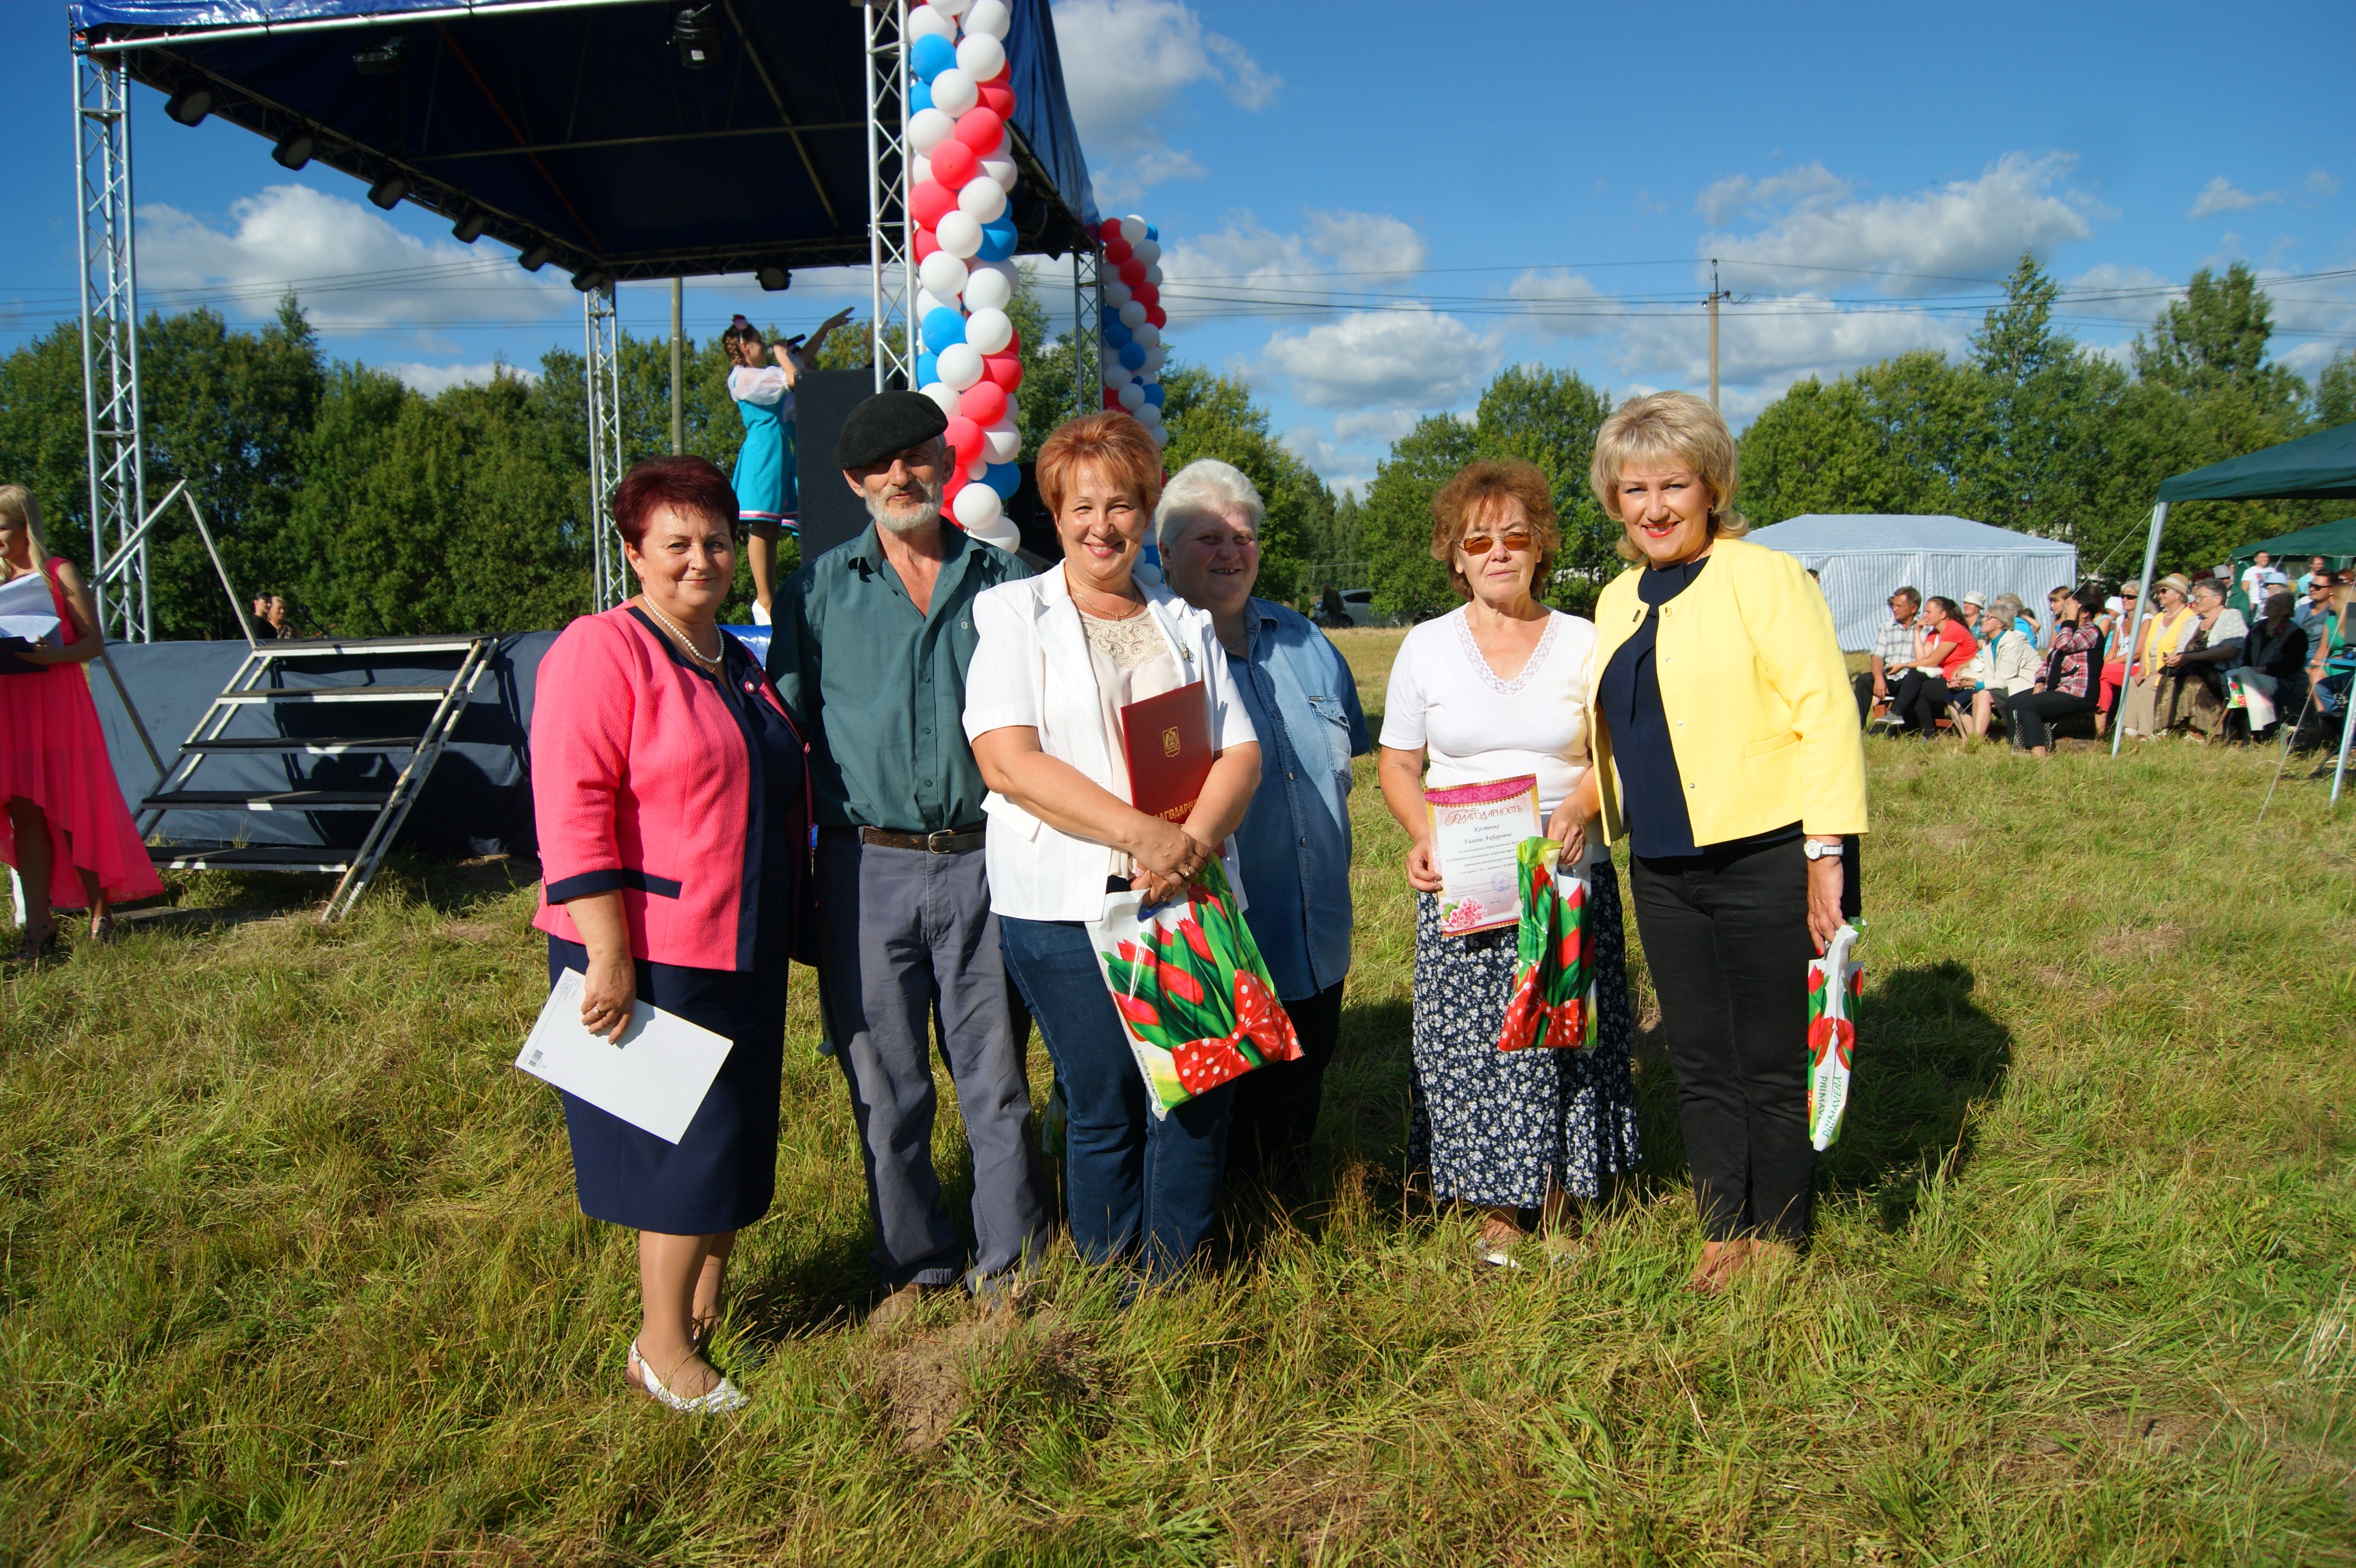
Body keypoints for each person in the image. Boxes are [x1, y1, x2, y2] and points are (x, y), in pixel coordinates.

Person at [1565, 391, 1865, 1293]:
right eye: (1633, 489)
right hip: (1660, 862)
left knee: (1769, 1056)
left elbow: (1826, 715)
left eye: (1674, 485)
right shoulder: (1616, 598)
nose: (1654, 507)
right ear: (1613, 501)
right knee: (1697, 1056)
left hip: (1767, 851)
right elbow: (1629, 733)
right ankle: (1719, 1226)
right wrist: (1575, 812)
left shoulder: (1763, 576)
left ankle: (1778, 1235)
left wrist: (1826, 856)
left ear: (1711, 487)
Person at [529, 455, 809, 1415]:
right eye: (677, 544)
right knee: (679, 1152)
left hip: (742, 936)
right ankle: (661, 1352)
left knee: (731, 1143)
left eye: (718, 542)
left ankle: (697, 1320)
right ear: (632, 552)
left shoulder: (735, 659)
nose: (702, 560)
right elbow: (571, 806)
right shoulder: (598, 650)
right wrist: (606, 950)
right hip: (647, 946)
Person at [767, 391, 1051, 1325]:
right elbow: (781, 737)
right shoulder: (813, 593)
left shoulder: (1010, 585)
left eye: (918, 457)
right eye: (879, 466)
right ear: (853, 484)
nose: (901, 476)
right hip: (863, 869)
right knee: (885, 1087)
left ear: (945, 462)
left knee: (995, 1081)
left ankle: (1012, 1269)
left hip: (986, 858)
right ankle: (914, 1266)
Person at [964, 412, 1262, 1288]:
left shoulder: (1184, 619)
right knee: (1102, 1105)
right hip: (1061, 904)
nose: (1103, 526)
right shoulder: (1014, 613)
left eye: (1123, 505)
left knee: (1198, 1096)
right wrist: (1142, 836)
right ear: (1054, 516)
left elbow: (1239, 751)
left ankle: (1174, 1279)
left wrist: (1189, 846)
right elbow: (1007, 761)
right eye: (1082, 507)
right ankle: (1104, 1276)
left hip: (1183, 893)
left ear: (1145, 513)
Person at [1375, 458, 1640, 1267]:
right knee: (1478, 1045)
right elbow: (1396, 762)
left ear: (1540, 549)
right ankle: (1495, 1208)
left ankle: (1563, 1193)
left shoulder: (1588, 641)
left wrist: (1582, 807)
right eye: (1477, 540)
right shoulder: (1425, 647)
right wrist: (1423, 833)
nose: (1497, 552)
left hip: (1564, 877)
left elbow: (1618, 751)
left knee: (1565, 1036)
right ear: (1454, 556)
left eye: (1514, 537)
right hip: (1468, 883)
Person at [1157, 459, 1370, 1192]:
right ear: (1164, 553)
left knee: (1290, 1127)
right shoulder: (1154, 654)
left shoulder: (1311, 645)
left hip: (1312, 936)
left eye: (1243, 535)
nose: (1231, 551)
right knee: (1204, 1129)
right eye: (1207, 536)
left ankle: (1283, 1224)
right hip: (1210, 941)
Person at [0, 484, 163, 957]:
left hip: (58, 702)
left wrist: (54, 655)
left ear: (25, 526)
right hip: (10, 706)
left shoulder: (58, 572)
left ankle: (100, 916)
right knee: (23, 813)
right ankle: (39, 925)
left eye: (3, 527)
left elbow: (93, 642)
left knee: (74, 811)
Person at [723, 309, 851, 624]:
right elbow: (793, 377)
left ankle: (770, 596)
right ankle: (763, 598)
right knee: (762, 525)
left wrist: (824, 328)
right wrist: (782, 355)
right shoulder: (743, 377)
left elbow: (800, 365)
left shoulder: (763, 373)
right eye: (758, 341)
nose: (764, 346)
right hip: (761, 452)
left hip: (778, 450)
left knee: (772, 528)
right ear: (744, 346)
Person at [2000, 584, 2103, 757]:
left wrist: (2068, 620)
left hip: (2078, 692)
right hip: (2058, 687)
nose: (2064, 612)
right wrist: (2040, 681)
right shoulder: (2069, 630)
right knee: (2014, 702)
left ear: (2084, 613)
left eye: (2070, 608)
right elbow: (2048, 660)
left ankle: (2038, 751)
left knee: (2028, 705)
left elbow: (2065, 645)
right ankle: (2018, 747)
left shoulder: (2090, 631)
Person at [2155, 578, 2248, 742]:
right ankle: (2170, 728)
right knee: (2169, 677)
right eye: (2196, 596)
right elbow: (2182, 649)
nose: (2196, 600)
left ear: (2217, 599)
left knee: (2194, 680)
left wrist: (2191, 657)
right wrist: (2174, 658)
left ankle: (2198, 731)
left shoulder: (2231, 616)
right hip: (2192, 667)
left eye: (2201, 597)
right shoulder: (2195, 621)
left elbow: (2229, 651)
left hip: (2223, 673)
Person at [2117, 574, 2197, 738]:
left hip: (2172, 668)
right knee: (2133, 682)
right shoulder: (2159, 617)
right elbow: (2147, 646)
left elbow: (2182, 650)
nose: (2159, 595)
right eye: (2159, 592)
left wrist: (2160, 673)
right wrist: (2142, 670)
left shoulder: (2189, 618)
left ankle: (2148, 732)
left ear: (2178, 594)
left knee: (2149, 686)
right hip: (2151, 665)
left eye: (2164, 591)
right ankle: (2129, 727)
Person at [1887, 595, 1976, 738]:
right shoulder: (1935, 633)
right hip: (1948, 678)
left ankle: (1899, 715)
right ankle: (1925, 731)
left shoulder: (1953, 630)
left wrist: (1903, 665)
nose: (1924, 615)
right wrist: (1917, 631)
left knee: (1916, 683)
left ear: (1943, 615)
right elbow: (1922, 658)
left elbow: (1933, 662)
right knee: (1916, 686)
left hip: (1964, 681)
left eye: (1929, 612)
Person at [2236, 592, 2309, 740]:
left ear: (2285, 610)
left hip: (2285, 683)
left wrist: (2263, 670)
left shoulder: (2296, 633)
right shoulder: (2257, 628)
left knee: (2248, 679)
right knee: (2242, 675)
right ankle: (2257, 730)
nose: (2267, 605)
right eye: (2267, 602)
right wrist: (2254, 672)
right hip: (2254, 678)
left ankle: (2257, 729)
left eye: (2274, 603)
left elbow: (2290, 666)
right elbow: (2246, 658)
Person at [1966, 594, 2038, 739]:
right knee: (1977, 693)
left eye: (1988, 618)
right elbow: (1991, 674)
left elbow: (2003, 680)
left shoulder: (2012, 644)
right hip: (2010, 684)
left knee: (1984, 694)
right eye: (1984, 617)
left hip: (2028, 687)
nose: (1983, 621)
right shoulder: (1989, 644)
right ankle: (1974, 738)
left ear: (2001, 623)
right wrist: (1967, 681)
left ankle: (1975, 741)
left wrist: (1975, 683)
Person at [1855, 587, 1920, 726]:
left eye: (1899, 606)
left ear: (1914, 608)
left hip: (1911, 678)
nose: (1894, 609)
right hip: (1890, 675)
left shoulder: (1926, 627)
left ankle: (1893, 721)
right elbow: (1877, 656)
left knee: (1913, 679)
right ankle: (1857, 725)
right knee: (1864, 680)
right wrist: (1879, 679)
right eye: (1893, 605)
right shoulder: (1887, 626)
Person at [2096, 579, 2140, 735]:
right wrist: (2101, 664)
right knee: (2102, 679)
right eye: (2123, 596)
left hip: (2137, 666)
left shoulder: (2146, 619)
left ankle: (2104, 727)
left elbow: (2137, 653)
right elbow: (2113, 650)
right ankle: (2101, 731)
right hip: (2117, 667)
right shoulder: (2120, 620)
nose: (2125, 600)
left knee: (2104, 672)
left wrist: (2108, 665)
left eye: (2131, 596)